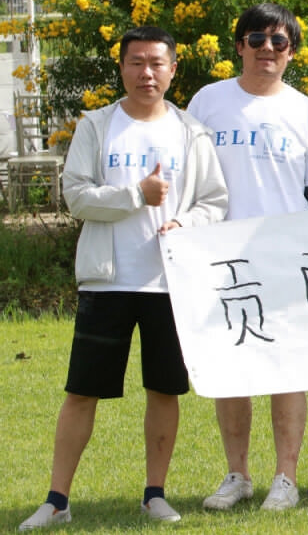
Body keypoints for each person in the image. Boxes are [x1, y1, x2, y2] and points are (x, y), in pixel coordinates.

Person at [20, 26, 229, 530]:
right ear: (122, 67)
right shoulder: (97, 125)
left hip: (169, 284)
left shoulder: (191, 131)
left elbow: (214, 203)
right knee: (81, 391)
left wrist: (186, 222)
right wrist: (137, 194)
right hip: (106, 282)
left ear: (173, 69)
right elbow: (75, 196)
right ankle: (56, 501)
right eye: (136, 62)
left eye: (157, 63)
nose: (146, 73)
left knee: (164, 391)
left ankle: (155, 494)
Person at [187, 3, 308, 511]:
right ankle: (237, 475)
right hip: (218, 253)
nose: (267, 49)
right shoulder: (208, 102)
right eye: (257, 39)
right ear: (239, 46)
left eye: (279, 42)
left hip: (285, 255)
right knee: (231, 368)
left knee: (285, 368)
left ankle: (286, 478)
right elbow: (187, 178)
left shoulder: (304, 111)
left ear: (291, 52)